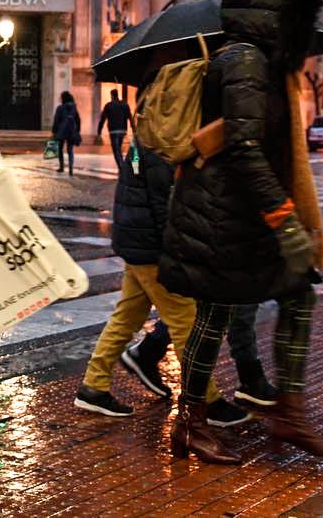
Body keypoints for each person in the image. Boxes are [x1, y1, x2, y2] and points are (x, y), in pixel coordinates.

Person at [160, 0, 323, 464]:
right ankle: (192, 421)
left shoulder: (264, 62)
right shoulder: (244, 62)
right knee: (215, 313)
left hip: (243, 214)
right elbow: (244, 147)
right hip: (226, 214)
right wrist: (284, 218)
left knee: (295, 294)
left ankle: (288, 409)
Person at [75, 115, 252, 428]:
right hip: (152, 247)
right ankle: (206, 400)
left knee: (126, 315)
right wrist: (174, 248)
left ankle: (94, 386)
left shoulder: (147, 134)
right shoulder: (161, 142)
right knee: (185, 319)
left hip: (137, 240)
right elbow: (163, 203)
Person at [97, 89, 132, 168]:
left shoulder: (108, 105)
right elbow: (129, 116)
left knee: (116, 150)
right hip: (123, 130)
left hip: (113, 130)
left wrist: (99, 131)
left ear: (112, 95)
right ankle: (122, 166)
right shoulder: (124, 105)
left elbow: (102, 119)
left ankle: (122, 167)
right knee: (118, 148)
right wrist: (133, 127)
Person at [52, 90, 81, 175]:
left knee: (60, 149)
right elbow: (78, 119)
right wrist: (78, 130)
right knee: (70, 150)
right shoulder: (74, 108)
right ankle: (71, 168)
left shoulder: (60, 108)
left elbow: (56, 120)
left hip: (61, 131)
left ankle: (61, 167)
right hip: (71, 131)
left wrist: (54, 131)